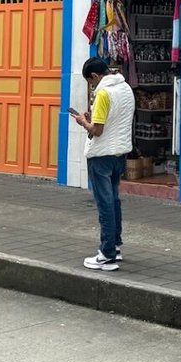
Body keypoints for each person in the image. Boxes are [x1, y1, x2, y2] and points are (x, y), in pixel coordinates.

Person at [69, 56, 135, 272]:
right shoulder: (126, 88)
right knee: (114, 200)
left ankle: (106, 254)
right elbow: (114, 119)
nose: (92, 85)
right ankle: (115, 246)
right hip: (120, 153)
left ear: (95, 76)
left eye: (91, 81)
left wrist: (83, 122)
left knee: (104, 203)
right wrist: (93, 118)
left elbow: (97, 130)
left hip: (101, 155)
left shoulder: (103, 93)